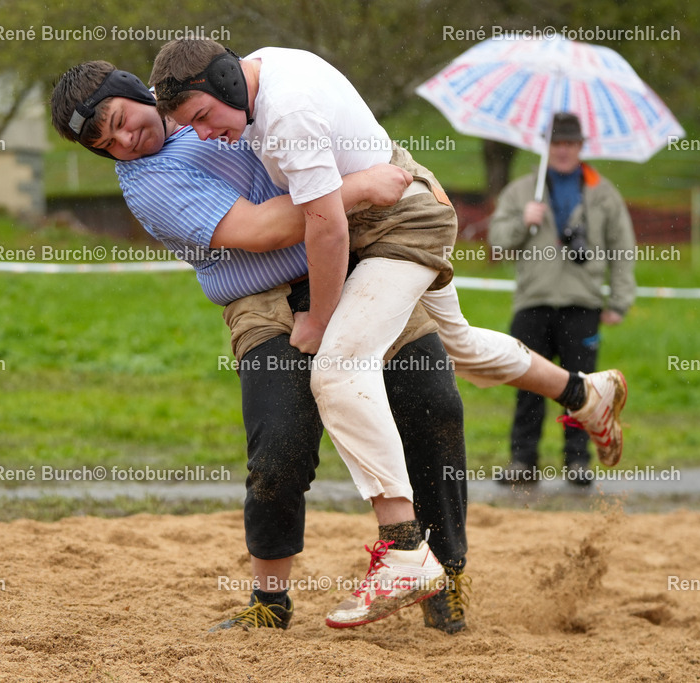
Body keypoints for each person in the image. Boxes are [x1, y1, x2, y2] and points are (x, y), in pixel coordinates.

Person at [149, 40, 627, 621]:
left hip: (398, 227)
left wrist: (319, 320)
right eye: (190, 125)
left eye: (203, 117)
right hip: (395, 207)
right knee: (463, 346)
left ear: (227, 81)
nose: (202, 134)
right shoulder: (260, 68)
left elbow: (327, 229)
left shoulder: (286, 113)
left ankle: (403, 550)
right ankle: (584, 392)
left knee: (338, 370)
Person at [50, 61, 470, 632]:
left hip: (348, 262)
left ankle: (445, 574)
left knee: (434, 407)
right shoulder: (146, 181)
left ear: (135, 93)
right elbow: (261, 230)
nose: (124, 143)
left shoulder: (207, 91)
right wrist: (358, 188)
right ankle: (269, 602)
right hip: (263, 299)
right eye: (105, 145)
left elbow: (316, 126)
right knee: (280, 445)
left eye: (121, 121)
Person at [488, 112, 635, 485]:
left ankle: (577, 461)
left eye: (570, 143)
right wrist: (524, 221)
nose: (563, 150)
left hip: (582, 304)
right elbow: (498, 242)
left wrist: (619, 301)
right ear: (545, 146)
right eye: (556, 143)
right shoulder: (522, 191)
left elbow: (623, 248)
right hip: (532, 303)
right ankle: (523, 461)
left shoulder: (603, 193)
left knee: (582, 387)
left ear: (581, 146)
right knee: (528, 384)